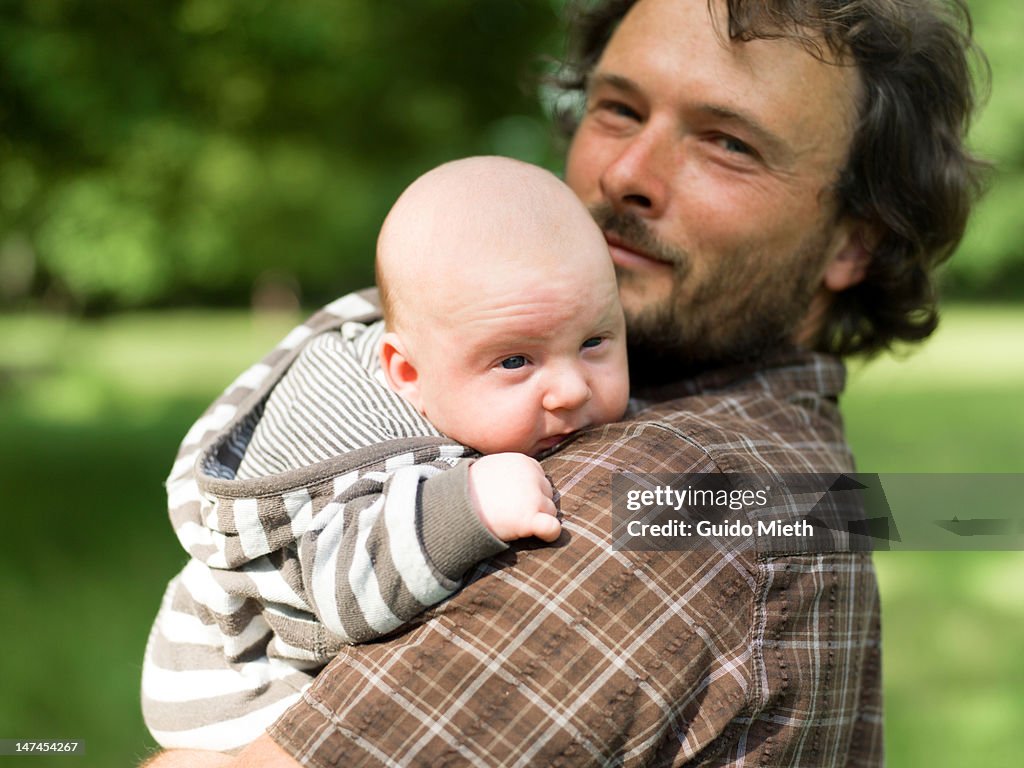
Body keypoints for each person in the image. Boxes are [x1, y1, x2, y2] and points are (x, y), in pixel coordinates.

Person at [142, 0, 986, 765]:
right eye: (617, 108)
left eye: (728, 142)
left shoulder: (676, 491)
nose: (628, 175)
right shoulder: (800, 474)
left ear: (855, 244)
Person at [141, 157, 629, 752]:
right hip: (244, 691)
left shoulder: (463, 354)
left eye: (594, 342)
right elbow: (339, 590)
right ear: (407, 372)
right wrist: (465, 506)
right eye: (514, 362)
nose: (572, 389)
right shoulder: (353, 439)